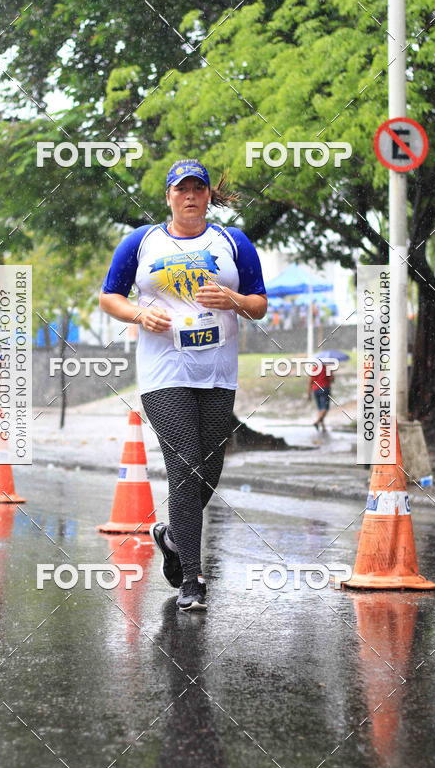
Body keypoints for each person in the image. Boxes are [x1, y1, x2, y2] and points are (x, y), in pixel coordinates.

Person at [100, 158, 268, 612]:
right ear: (168, 196)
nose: (191, 195)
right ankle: (191, 579)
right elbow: (109, 295)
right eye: (182, 189)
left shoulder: (233, 242)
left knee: (208, 472)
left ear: (209, 195)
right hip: (164, 374)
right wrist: (139, 314)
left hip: (218, 374)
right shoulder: (142, 242)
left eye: (199, 188)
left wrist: (231, 299)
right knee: (186, 467)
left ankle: (172, 536)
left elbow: (258, 305)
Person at [308, 359, 335, 432]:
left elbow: (311, 381)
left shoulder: (315, 369)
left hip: (315, 390)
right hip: (324, 389)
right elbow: (332, 380)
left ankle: (323, 427)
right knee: (325, 408)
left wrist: (309, 394)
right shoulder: (327, 369)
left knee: (320, 409)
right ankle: (317, 422)